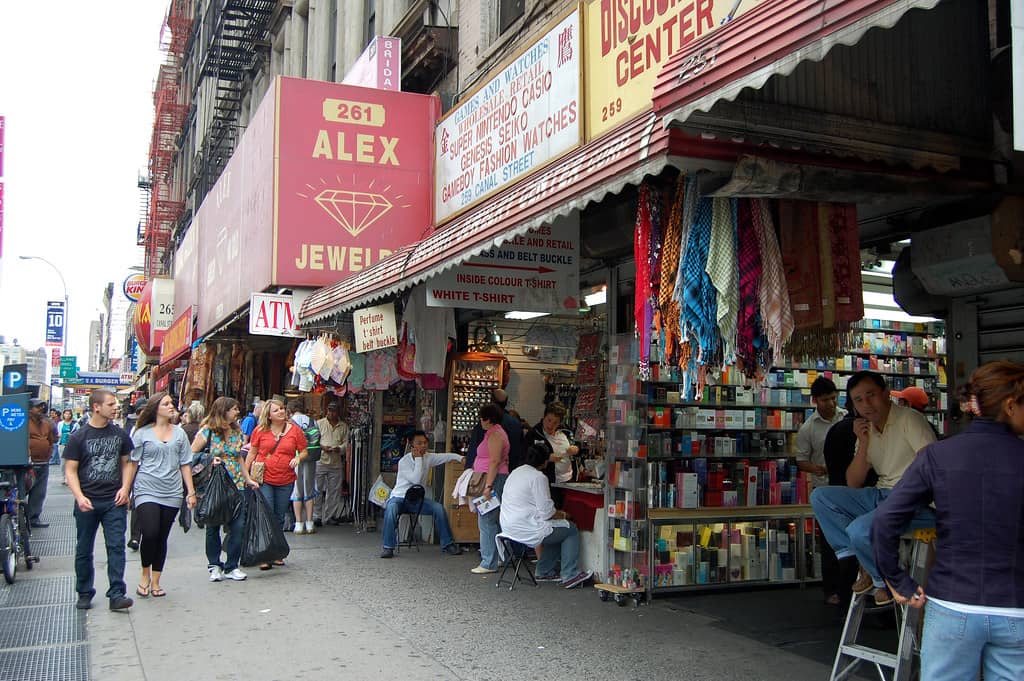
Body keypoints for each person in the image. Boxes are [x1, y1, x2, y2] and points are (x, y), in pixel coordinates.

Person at [872, 361, 1024, 681]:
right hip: (1016, 608)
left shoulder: (939, 455)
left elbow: (884, 521)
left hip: (952, 605)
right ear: (1010, 406)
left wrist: (899, 582)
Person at [810, 371, 937, 606]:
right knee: (821, 496)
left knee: (859, 530)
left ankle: (881, 581)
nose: (866, 404)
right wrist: (864, 442)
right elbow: (853, 482)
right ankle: (863, 562)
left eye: (871, 395)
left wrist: (899, 499)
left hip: (915, 501)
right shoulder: (868, 429)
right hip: (882, 494)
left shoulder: (909, 419)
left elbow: (931, 467)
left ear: (886, 393)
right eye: (858, 400)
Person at [63, 389, 136, 611]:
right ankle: (84, 591)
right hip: (87, 500)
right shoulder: (79, 437)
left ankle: (117, 593)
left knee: (116, 546)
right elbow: (70, 470)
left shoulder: (120, 435)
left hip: (114, 500)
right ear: (97, 407)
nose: (116, 408)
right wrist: (79, 496)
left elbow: (128, 463)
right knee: (84, 548)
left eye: (115, 404)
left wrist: (125, 488)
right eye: (111, 404)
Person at [127, 392, 197, 598]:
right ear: (155, 407)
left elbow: (185, 463)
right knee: (149, 533)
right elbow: (133, 463)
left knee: (162, 537)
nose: (171, 406)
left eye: (171, 403)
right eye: (166, 403)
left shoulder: (180, 433)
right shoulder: (141, 433)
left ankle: (156, 580)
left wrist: (190, 492)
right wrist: (126, 489)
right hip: (146, 488)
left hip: (172, 490)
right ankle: (144, 573)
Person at [500, 444, 595, 588]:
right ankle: (570, 574)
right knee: (570, 529)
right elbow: (547, 512)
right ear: (545, 461)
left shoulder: (516, 472)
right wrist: (564, 514)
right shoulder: (538, 477)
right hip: (527, 528)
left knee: (557, 529)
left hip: (508, 526)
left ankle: (544, 570)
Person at [192, 397, 260, 583]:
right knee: (213, 526)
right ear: (223, 410)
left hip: (236, 484)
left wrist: (248, 479)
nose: (237, 412)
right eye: (234, 409)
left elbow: (238, 457)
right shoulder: (208, 432)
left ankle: (232, 565)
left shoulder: (237, 432)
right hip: (214, 485)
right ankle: (214, 565)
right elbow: (191, 454)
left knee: (238, 526)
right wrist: (209, 460)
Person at [793, 377, 846, 605]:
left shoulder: (846, 417)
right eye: (826, 400)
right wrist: (819, 468)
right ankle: (831, 590)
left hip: (848, 487)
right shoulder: (808, 428)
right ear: (815, 400)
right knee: (828, 542)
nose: (831, 404)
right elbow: (801, 461)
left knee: (849, 538)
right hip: (824, 489)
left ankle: (850, 586)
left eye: (834, 398)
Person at [380, 430, 464, 559]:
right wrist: (418, 458)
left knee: (439, 509)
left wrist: (460, 457)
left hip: (416, 500)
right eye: (419, 443)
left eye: (425, 443)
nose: (423, 446)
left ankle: (448, 544)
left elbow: (445, 456)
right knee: (391, 510)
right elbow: (416, 480)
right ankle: (388, 547)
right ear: (411, 445)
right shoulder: (404, 461)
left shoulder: (428, 457)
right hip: (399, 498)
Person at [246, 399, 307, 570]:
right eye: (276, 410)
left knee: (279, 516)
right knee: (267, 514)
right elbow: (252, 452)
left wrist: (297, 458)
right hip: (264, 478)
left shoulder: (295, 431)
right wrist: (246, 476)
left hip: (285, 479)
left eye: (282, 408)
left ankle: (277, 552)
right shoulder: (260, 431)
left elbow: (304, 450)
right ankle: (264, 554)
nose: (281, 411)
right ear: (269, 415)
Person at [470, 404, 510, 575]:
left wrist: (488, 486)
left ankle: (488, 561)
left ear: (487, 419)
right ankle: (500, 557)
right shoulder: (497, 433)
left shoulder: (495, 435)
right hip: (495, 478)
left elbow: (494, 461)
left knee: (486, 520)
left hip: (492, 479)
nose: (480, 421)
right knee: (495, 520)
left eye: (481, 418)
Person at [524, 403, 579, 508]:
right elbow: (526, 458)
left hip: (568, 481)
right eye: (549, 420)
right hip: (548, 483)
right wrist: (546, 458)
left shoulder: (566, 431)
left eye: (555, 422)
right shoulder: (533, 434)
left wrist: (576, 449)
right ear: (543, 417)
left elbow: (576, 443)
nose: (551, 425)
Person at [465, 389, 524, 471]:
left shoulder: (487, 422)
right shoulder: (516, 424)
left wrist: (468, 471)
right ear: (506, 403)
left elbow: (474, 450)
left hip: (486, 471)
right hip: (510, 470)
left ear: (491, 400)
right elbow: (520, 450)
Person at [287, 399, 319, 535]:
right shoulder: (313, 421)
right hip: (310, 457)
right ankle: (310, 523)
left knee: (297, 490)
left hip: (294, 458)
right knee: (309, 489)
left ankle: (299, 524)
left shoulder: (289, 422)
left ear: (290, 410)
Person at [314, 402, 348, 526]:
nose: (331, 413)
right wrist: (323, 447)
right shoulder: (319, 424)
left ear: (338, 412)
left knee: (334, 491)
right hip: (321, 461)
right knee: (317, 490)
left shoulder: (343, 426)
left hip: (335, 462)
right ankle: (316, 515)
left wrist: (339, 448)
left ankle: (331, 515)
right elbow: (314, 440)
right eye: (329, 410)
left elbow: (346, 443)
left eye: (334, 411)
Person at [26, 398, 57, 528]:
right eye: (37, 407)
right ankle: (21, 517)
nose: (40, 409)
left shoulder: (46, 423)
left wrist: (48, 453)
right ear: (30, 408)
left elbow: (52, 439)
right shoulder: (24, 422)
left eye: (42, 407)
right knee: (24, 489)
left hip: (43, 462)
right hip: (28, 463)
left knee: (39, 492)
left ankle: (33, 518)